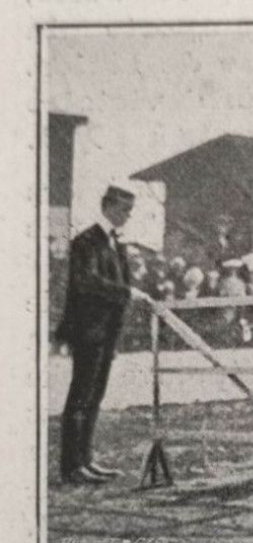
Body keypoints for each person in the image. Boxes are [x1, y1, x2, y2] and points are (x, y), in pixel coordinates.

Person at [56, 185, 145, 484]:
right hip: (87, 330)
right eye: (123, 209)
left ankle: (86, 460)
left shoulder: (116, 242)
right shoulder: (87, 241)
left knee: (94, 396)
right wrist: (126, 291)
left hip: (107, 332)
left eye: (130, 211)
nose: (127, 216)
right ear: (107, 207)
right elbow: (86, 281)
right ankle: (72, 465)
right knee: (81, 396)